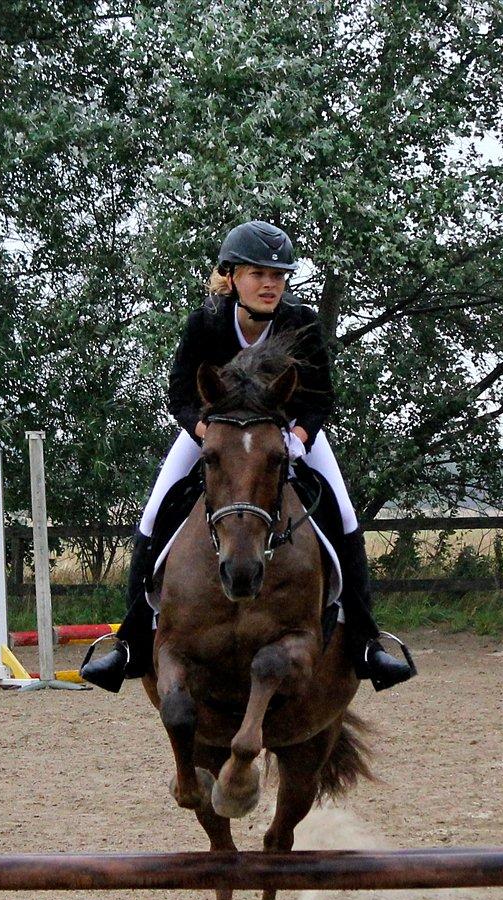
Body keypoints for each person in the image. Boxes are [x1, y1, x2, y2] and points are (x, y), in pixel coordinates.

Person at [81, 220, 412, 693]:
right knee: (155, 512)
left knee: (343, 512)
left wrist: (298, 437)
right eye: (259, 273)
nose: (270, 283)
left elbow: (321, 398)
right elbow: (179, 393)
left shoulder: (301, 324)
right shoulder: (207, 323)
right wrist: (205, 433)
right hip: (211, 434)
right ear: (232, 275)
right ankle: (128, 644)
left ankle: (367, 644)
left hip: (287, 436)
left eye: (279, 275)